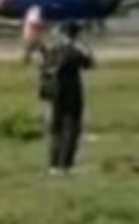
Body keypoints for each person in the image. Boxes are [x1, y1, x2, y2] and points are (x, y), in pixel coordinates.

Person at [36, 22, 94, 176]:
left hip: (53, 94)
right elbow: (89, 63)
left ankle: (53, 164)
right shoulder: (73, 51)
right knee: (71, 128)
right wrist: (85, 46)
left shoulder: (52, 50)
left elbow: (43, 67)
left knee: (56, 128)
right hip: (71, 94)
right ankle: (66, 164)